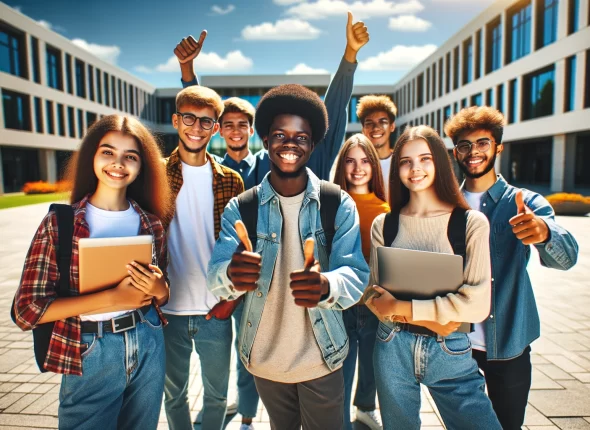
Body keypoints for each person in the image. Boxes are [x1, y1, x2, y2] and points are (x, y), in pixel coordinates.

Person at [207, 84, 370, 430]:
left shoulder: (336, 202)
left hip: (322, 359)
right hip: (265, 360)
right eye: (281, 135)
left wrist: (327, 284)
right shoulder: (243, 206)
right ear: (266, 140)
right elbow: (215, 274)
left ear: (312, 144)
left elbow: (356, 274)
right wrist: (231, 275)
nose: (290, 145)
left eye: (301, 137)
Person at [12, 115, 171, 430]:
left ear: (143, 165)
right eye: (108, 152)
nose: (118, 163)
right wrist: (112, 298)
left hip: (149, 339)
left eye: (131, 156)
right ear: (92, 157)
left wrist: (160, 287)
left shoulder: (151, 223)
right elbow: (26, 311)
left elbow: (160, 296)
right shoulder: (61, 223)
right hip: (91, 350)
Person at [445, 106, 579, 430]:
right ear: (455, 151)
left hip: (509, 345)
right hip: (456, 346)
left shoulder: (525, 202)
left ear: (498, 147)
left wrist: (544, 233)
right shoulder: (447, 205)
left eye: (482, 143)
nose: (473, 152)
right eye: (464, 144)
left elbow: (568, 256)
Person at [365, 125, 502, 430]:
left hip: (449, 349)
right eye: (406, 161)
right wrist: (437, 315)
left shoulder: (470, 224)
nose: (415, 169)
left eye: (425, 159)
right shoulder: (383, 225)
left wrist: (410, 310)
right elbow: (376, 297)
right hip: (391, 346)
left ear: (440, 162)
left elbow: (477, 304)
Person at [174, 10, 369, 185]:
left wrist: (350, 55)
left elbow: (335, 107)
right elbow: (199, 120)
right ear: (218, 129)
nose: (290, 143)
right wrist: (187, 70)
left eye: (300, 135)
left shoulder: (276, 160)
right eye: (228, 125)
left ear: (252, 130)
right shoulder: (214, 167)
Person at [162, 85, 244, 430]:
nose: (196, 128)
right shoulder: (155, 175)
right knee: (173, 395)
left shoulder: (231, 181)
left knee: (217, 397)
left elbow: (245, 248)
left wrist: (231, 301)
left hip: (215, 310)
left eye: (206, 121)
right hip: (167, 313)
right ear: (176, 120)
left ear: (215, 127)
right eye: (189, 119)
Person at [332, 134, 389, 430]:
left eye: (365, 161)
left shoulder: (386, 208)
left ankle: (366, 408)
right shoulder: (332, 204)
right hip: (340, 302)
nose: (358, 168)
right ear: (342, 166)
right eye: (351, 161)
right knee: (340, 368)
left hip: (374, 304)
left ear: (374, 166)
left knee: (371, 364)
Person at [356, 95, 397, 198]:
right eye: (369, 123)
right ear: (363, 130)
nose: (376, 128)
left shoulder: (401, 162)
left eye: (382, 122)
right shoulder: (356, 165)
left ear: (392, 127)